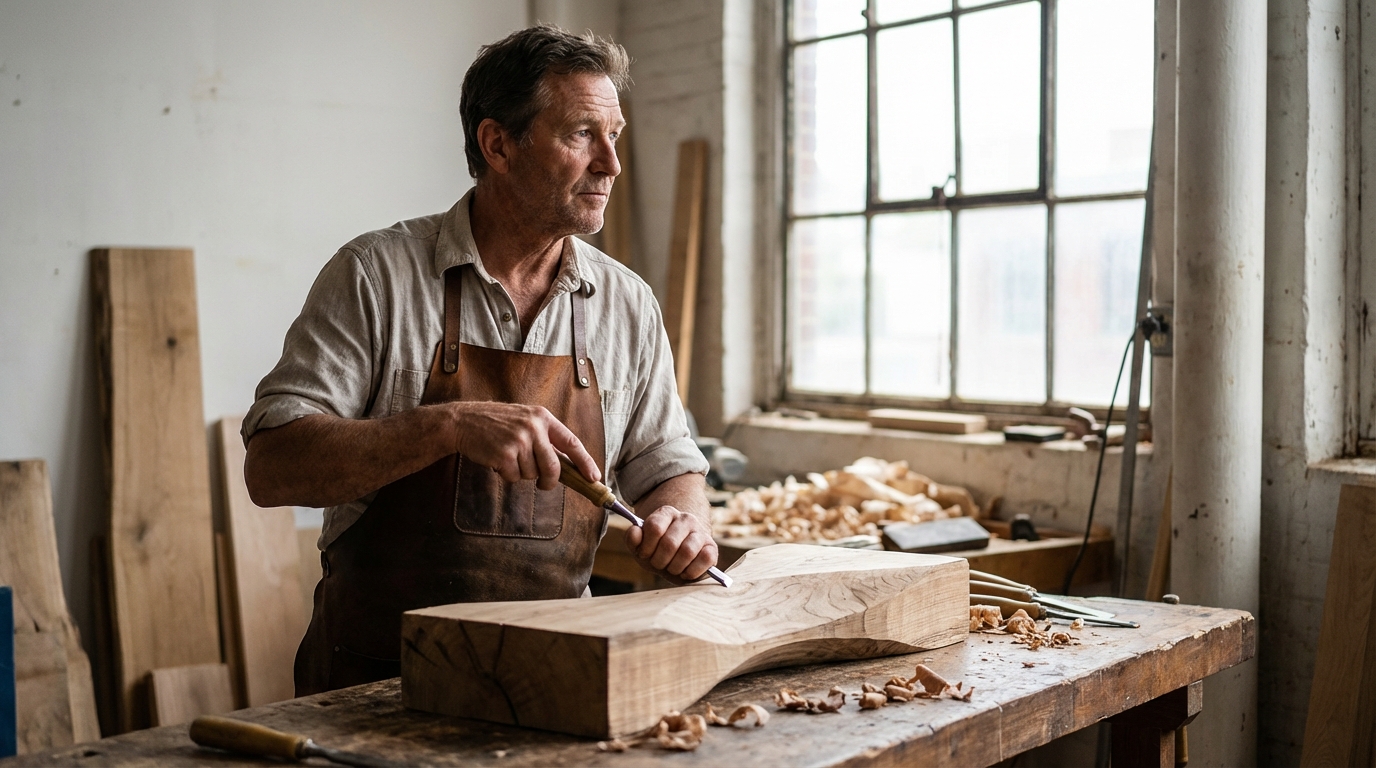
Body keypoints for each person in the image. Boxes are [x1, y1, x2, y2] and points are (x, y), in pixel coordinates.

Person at [241, 25, 716, 696]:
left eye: (615, 135)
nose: (610, 164)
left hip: (555, 685)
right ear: (497, 143)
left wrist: (682, 520)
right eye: (582, 134)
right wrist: (449, 426)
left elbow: (669, 465)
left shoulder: (627, 304)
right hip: (377, 686)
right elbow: (271, 467)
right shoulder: (376, 276)